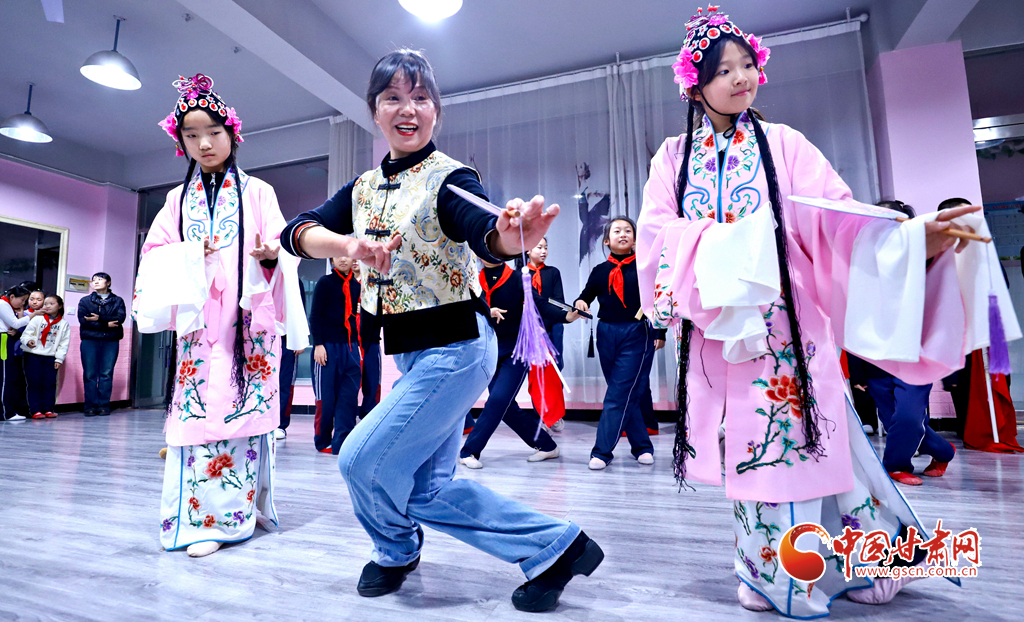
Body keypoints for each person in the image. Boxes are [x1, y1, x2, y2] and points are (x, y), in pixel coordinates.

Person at [636, 6, 994, 617]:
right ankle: (782, 571)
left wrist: (912, 240)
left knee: (803, 444)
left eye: (747, 65)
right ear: (695, 87)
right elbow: (655, 239)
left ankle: (827, 569)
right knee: (756, 450)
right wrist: (726, 246)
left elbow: (839, 221)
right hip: (719, 335)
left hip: (789, 329)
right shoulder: (673, 158)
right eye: (723, 71)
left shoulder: (786, 145)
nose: (741, 78)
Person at [281, 50, 602, 612]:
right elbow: (296, 232)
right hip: (410, 354)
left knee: (359, 459)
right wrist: (348, 243)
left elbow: (481, 228)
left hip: (456, 348)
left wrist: (507, 238)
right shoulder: (361, 189)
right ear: (374, 111)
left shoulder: (449, 178)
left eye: (421, 98)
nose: (408, 109)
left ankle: (395, 549)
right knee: (427, 490)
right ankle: (558, 546)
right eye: (393, 98)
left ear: (437, 111)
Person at [135, 73, 307, 558]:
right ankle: (195, 520)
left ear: (232, 133)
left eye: (213, 132)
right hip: (198, 330)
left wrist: (272, 256)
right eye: (191, 135)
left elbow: (284, 248)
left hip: (248, 327)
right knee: (196, 420)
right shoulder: (175, 201)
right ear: (181, 143)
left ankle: (233, 517)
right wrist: (190, 255)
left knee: (241, 417)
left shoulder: (260, 192)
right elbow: (152, 255)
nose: (204, 143)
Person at [571, 217, 665, 470]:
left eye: (628, 231)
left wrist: (660, 332)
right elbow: (585, 296)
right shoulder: (599, 270)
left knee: (617, 394)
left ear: (634, 239)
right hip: (606, 333)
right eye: (617, 231)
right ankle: (642, 446)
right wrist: (581, 302)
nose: (623, 234)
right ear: (606, 240)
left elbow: (658, 300)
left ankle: (601, 452)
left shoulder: (645, 267)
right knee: (622, 391)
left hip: (636, 332)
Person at [459, 258, 560, 468]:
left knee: (497, 401)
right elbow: (465, 310)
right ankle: (547, 445)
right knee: (505, 407)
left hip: (516, 350)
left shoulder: (517, 278)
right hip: (488, 350)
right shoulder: (473, 280)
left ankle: (469, 451)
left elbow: (540, 304)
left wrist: (567, 315)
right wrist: (487, 310)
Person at [311, 256, 363, 455]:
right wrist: (318, 344)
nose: (342, 259)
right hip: (327, 347)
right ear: (332, 260)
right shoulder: (325, 282)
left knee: (348, 398)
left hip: (350, 347)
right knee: (326, 398)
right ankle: (323, 441)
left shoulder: (356, 286)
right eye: (337, 255)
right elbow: (315, 315)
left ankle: (342, 443)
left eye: (346, 255)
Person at [524, 237, 570, 432]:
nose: (543, 251)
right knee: (536, 372)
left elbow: (558, 301)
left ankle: (555, 414)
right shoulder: (520, 275)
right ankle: (541, 415)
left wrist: (547, 321)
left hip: (553, 327)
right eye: (539, 247)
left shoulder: (553, 272)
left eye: (546, 247)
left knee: (556, 367)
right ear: (527, 250)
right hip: (530, 329)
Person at [77, 272, 126, 416]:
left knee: (106, 374)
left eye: (100, 279)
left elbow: (120, 319)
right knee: (90, 374)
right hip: (90, 340)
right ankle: (90, 406)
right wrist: (106, 324)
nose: (96, 282)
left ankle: (104, 405)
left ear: (108, 283)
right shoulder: (85, 301)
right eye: (94, 280)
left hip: (111, 341)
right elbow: (84, 321)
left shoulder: (118, 300)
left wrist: (99, 318)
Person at [21, 294, 70, 419]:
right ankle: (35, 410)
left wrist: (59, 359)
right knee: (34, 383)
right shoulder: (37, 319)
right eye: (46, 304)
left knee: (50, 383)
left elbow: (64, 343)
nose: (47, 306)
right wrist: (28, 341)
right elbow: (26, 335)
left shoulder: (63, 324)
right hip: (33, 355)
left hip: (50, 357)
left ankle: (48, 409)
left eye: (51, 304)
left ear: (60, 306)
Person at [275, 278, 306, 440]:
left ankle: (280, 424)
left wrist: (299, 338)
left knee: (285, 382)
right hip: (264, 335)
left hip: (287, 338)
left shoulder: (294, 280)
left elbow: (300, 311)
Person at [1, 284, 34, 421]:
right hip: (3, 339)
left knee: (7, 376)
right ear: (12, 296)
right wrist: (33, 315)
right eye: (22, 299)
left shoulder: (7, 305)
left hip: (5, 338)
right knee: (5, 378)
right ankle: (6, 413)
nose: (23, 303)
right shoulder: (3, 304)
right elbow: (15, 323)